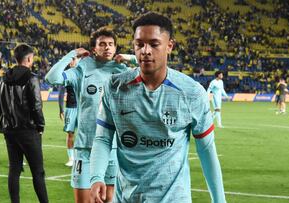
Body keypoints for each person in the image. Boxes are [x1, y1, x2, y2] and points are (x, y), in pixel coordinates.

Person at [89, 12, 226, 203]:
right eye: (139, 44)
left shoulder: (191, 92)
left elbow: (206, 149)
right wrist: (96, 178)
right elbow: (103, 138)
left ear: (169, 46)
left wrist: (219, 200)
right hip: (126, 197)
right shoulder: (115, 87)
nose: (145, 51)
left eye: (154, 44)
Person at [45, 27, 136, 203]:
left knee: (110, 200)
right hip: (85, 148)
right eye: (102, 44)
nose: (107, 47)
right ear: (94, 48)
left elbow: (154, 72)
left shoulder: (122, 70)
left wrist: (131, 58)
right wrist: (71, 55)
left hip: (113, 148)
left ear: (116, 48)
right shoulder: (83, 68)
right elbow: (52, 77)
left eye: (111, 44)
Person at [0, 44, 48, 203]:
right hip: (28, 131)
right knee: (38, 172)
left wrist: (8, 120)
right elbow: (37, 105)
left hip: (9, 131)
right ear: (29, 58)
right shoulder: (32, 78)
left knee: (14, 170)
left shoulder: (3, 79)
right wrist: (40, 126)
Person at [58, 62, 79, 167]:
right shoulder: (66, 75)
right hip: (70, 108)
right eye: (72, 60)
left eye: (75, 59)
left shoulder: (84, 72)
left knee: (83, 134)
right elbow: (61, 92)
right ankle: (71, 158)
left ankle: (81, 157)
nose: (73, 62)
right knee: (70, 134)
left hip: (83, 107)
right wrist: (61, 108)